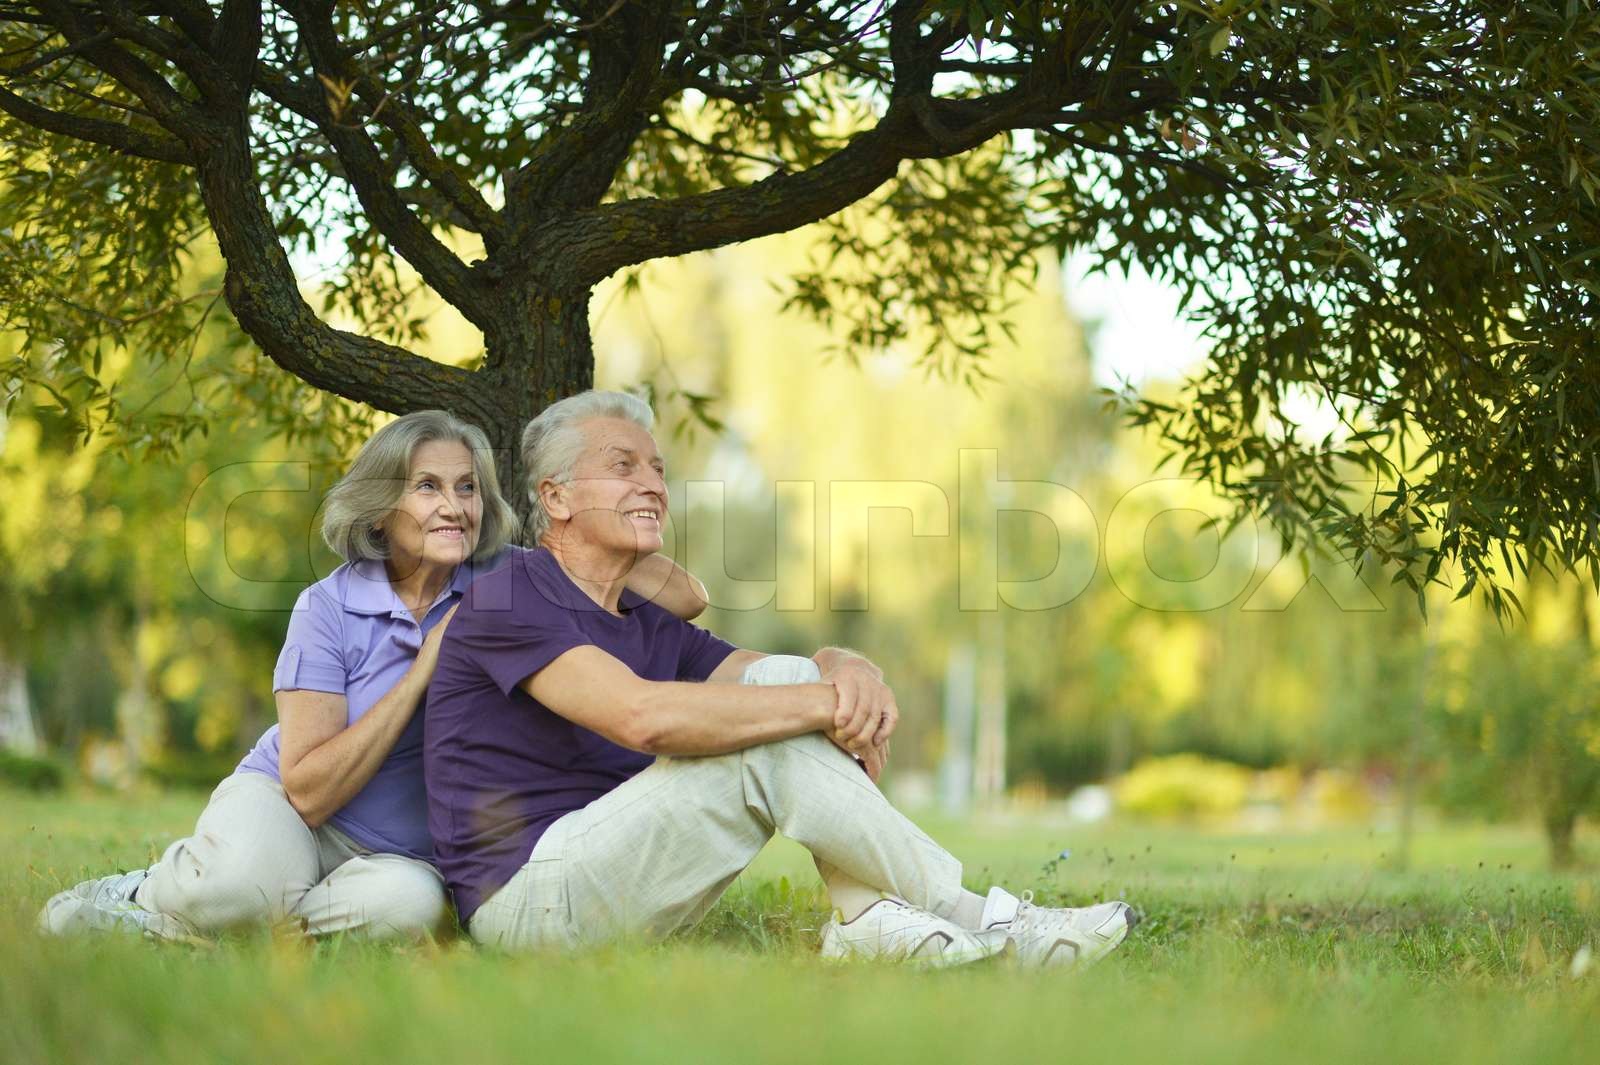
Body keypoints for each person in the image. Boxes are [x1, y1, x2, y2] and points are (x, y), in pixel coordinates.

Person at [425, 391, 1138, 967]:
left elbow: (776, 676)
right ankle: (989, 919)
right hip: (527, 900)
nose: (652, 483)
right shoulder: (507, 591)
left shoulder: (646, 617)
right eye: (624, 466)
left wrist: (845, 668)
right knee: (782, 714)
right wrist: (825, 705)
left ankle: (866, 916)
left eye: (658, 469)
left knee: (789, 682)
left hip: (615, 875)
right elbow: (640, 717)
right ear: (557, 498)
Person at [39, 410, 708, 941]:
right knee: (242, 883)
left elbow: (687, 598)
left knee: (409, 912)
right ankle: (144, 893)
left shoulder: (508, 583)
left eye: (467, 488)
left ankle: (233, 934)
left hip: (399, 857)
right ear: (382, 507)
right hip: (292, 810)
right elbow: (306, 790)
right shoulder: (327, 607)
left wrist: (600, 534)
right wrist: (421, 672)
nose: (455, 506)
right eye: (429, 486)